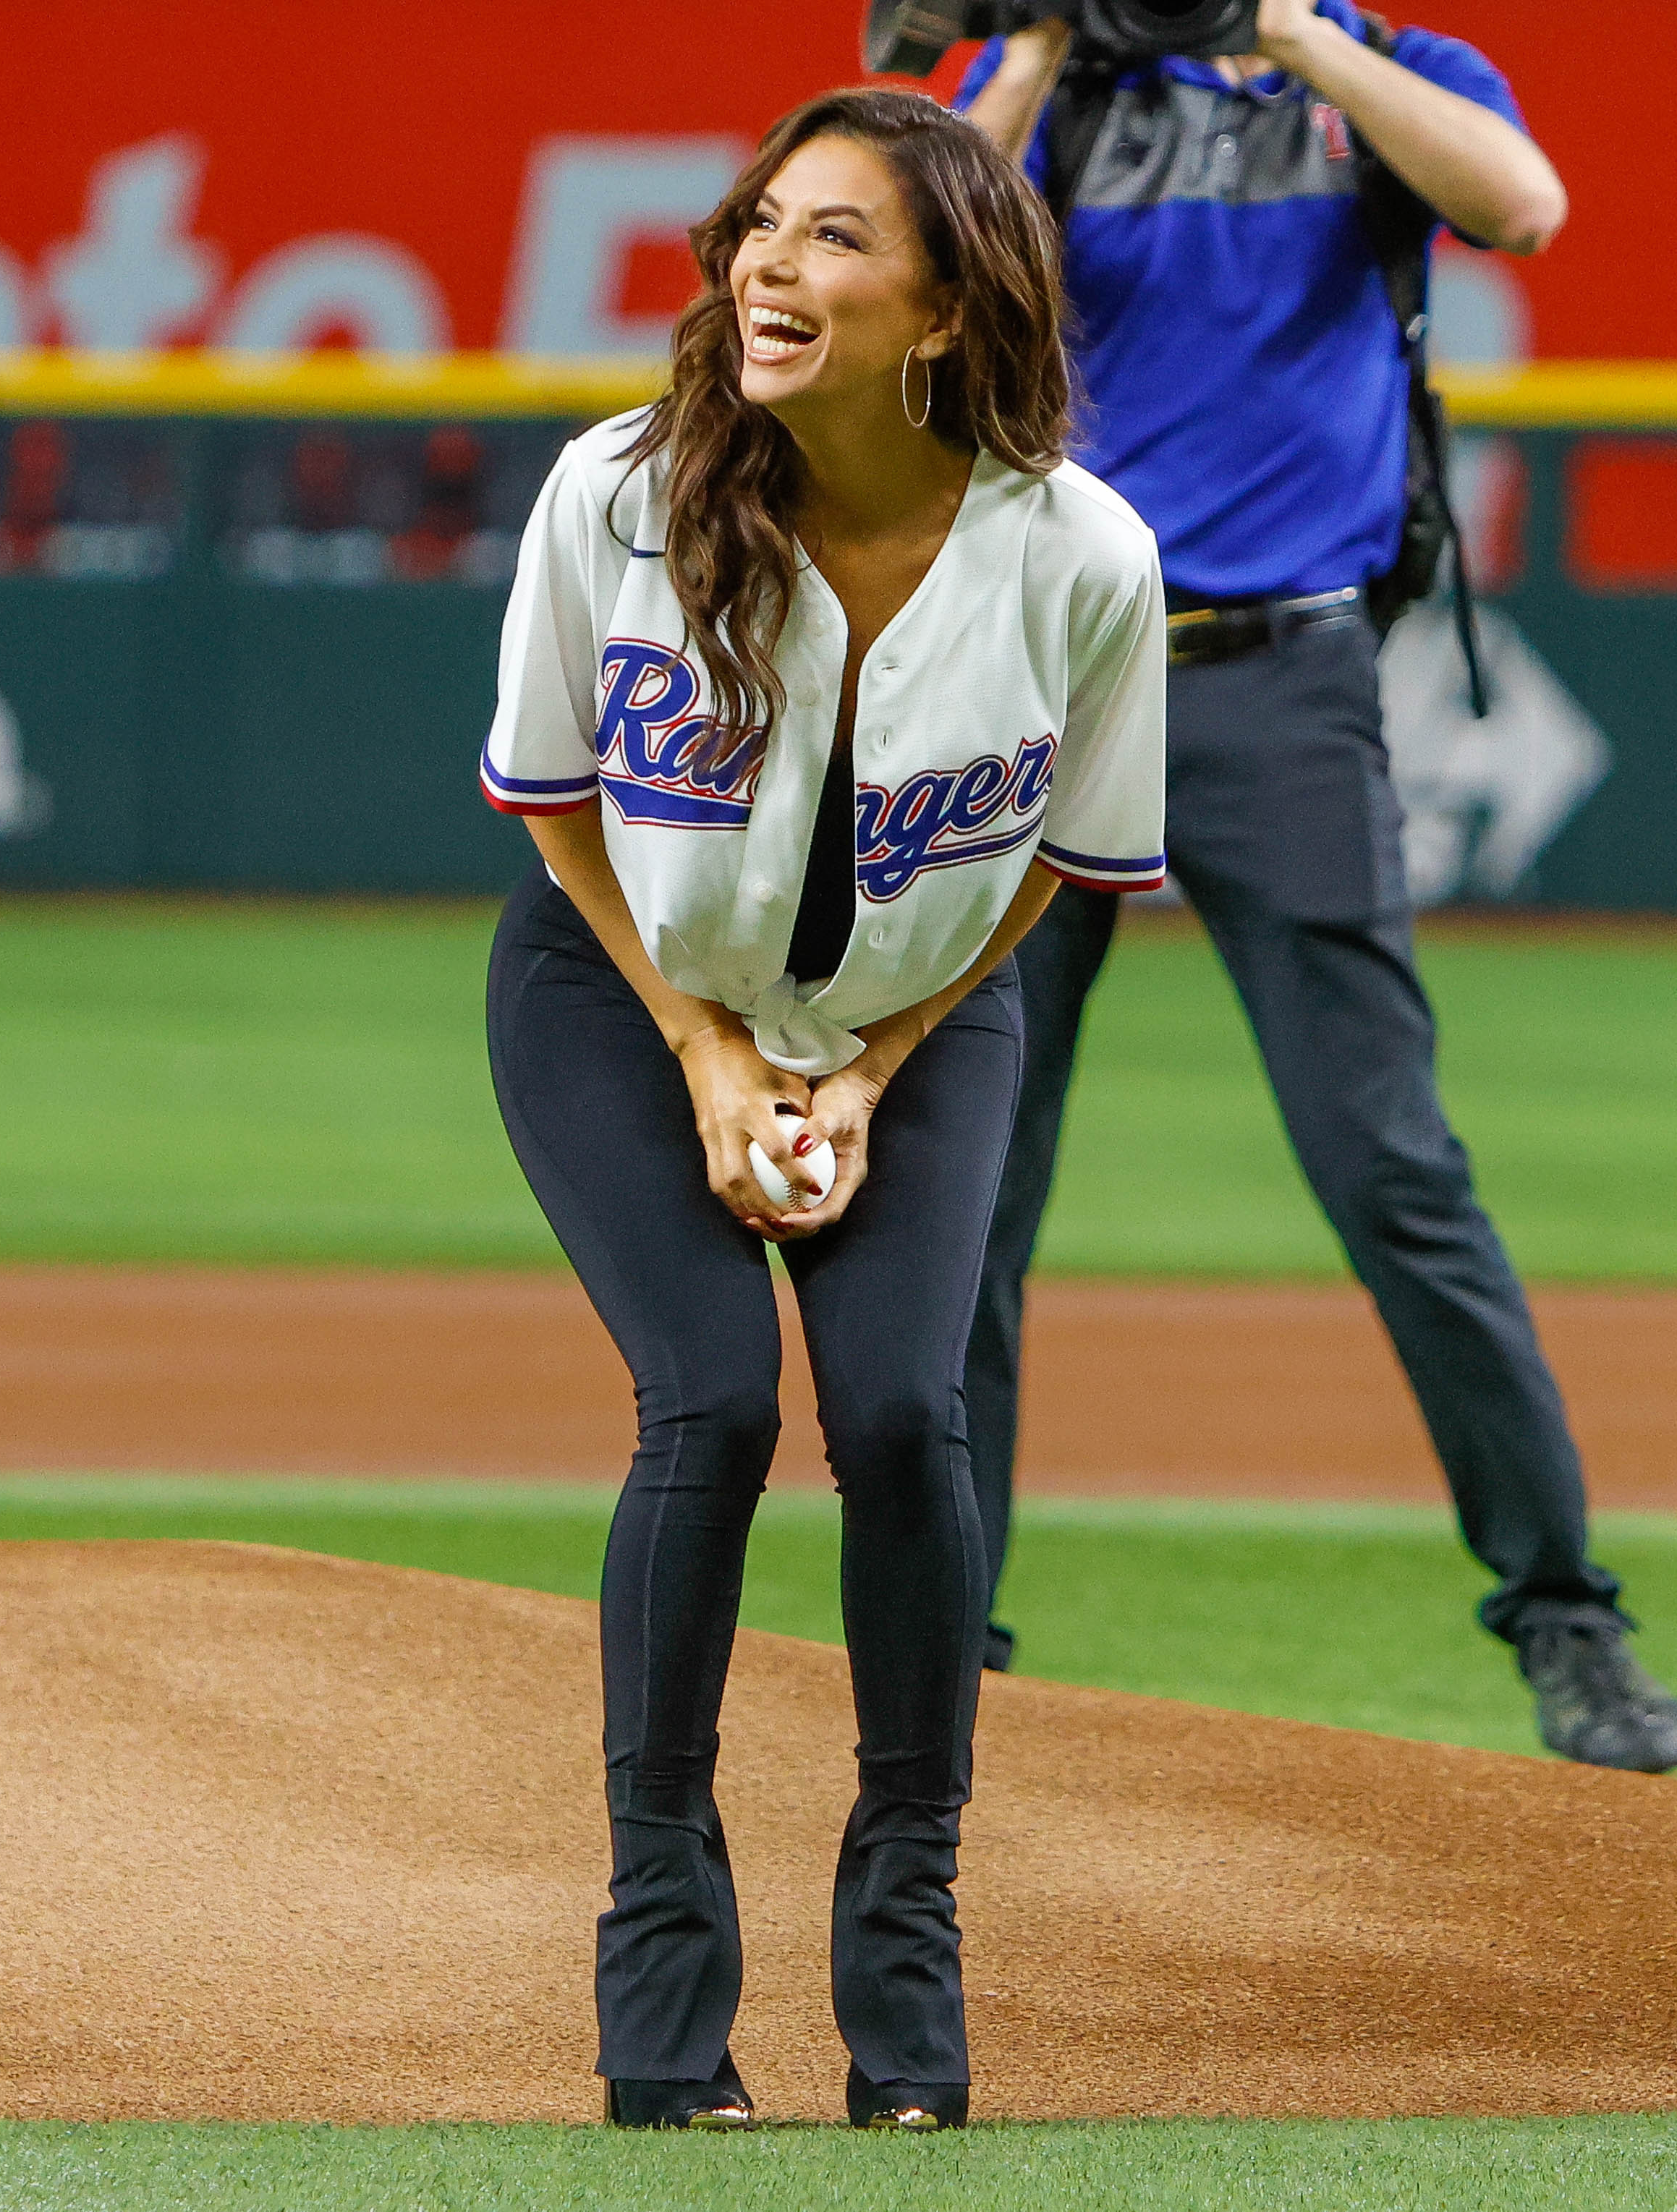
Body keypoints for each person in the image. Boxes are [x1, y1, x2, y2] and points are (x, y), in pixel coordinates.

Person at [478, 86, 1166, 2130]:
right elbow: (556, 819)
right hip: (618, 998)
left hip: (923, 1024)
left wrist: (867, 1066)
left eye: (835, 237)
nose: (771, 266)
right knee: (709, 1400)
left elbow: (1062, 857)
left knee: (895, 1411)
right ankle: (660, 1984)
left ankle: (908, 1958)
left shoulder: (1081, 555)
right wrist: (708, 1055)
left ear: (945, 306)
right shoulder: (613, 492)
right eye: (762, 227)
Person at [956, 1, 1677, 1772]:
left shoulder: (1389, 73)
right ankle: (941, 1643)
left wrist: (1289, 30)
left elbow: (1522, 209)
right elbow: (921, 243)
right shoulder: (1046, 85)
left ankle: (1567, 1618)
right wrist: (1052, 41)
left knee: (1390, 1161)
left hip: (1276, 683)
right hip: (1030, 673)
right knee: (969, 1185)